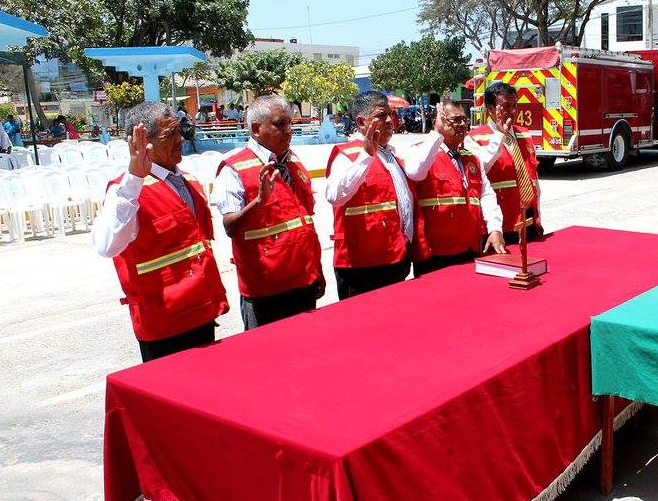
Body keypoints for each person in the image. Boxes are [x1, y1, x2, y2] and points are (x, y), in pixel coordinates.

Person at [93, 102, 229, 362]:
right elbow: (106, 245)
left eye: (180, 132)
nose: (180, 140)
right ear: (142, 143)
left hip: (201, 311)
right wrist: (133, 180)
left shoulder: (188, 181)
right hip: (164, 323)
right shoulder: (125, 191)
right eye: (170, 136)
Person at [212, 95, 325, 329]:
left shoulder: (292, 161)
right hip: (266, 291)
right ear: (255, 129)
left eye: (290, 123)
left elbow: (304, 222)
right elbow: (230, 227)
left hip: (303, 281)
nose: (288, 130)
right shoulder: (234, 169)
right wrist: (260, 201)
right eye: (279, 124)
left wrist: (317, 269)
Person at [325, 90, 443, 299]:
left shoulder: (391, 154)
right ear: (362, 122)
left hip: (395, 258)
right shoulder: (347, 155)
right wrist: (366, 155)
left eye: (390, 114)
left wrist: (436, 133)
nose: (390, 120)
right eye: (381, 115)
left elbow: (416, 174)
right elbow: (335, 195)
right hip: (362, 268)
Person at [413, 101, 508, 276]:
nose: (463, 124)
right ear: (438, 122)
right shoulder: (422, 153)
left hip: (469, 248)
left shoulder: (471, 158)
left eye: (464, 119)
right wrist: (436, 133)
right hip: (435, 255)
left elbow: (486, 195)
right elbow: (415, 170)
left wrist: (495, 228)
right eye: (456, 120)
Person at [469, 81, 542, 244]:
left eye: (514, 105)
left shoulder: (525, 134)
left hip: (527, 218)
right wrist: (499, 135)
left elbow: (533, 179)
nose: (512, 111)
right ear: (489, 108)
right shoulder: (474, 138)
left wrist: (538, 217)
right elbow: (482, 167)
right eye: (505, 106)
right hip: (500, 224)